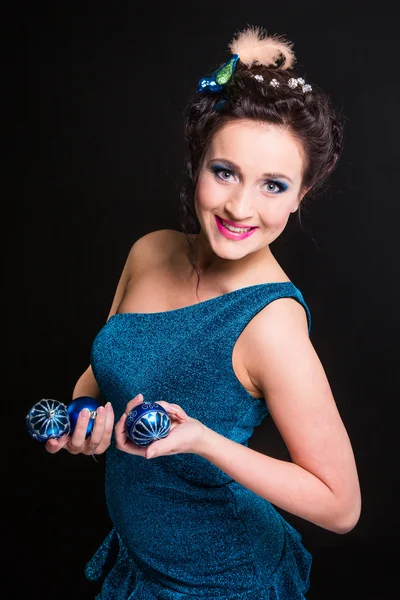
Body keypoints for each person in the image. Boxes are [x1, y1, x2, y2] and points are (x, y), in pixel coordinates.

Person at [45, 25, 361, 599]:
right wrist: (84, 417)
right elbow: (103, 371)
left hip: (222, 580)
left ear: (302, 194)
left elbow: (341, 507)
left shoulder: (271, 323)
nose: (241, 207)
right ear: (198, 164)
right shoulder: (149, 251)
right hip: (142, 560)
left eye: (274, 185)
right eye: (225, 173)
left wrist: (204, 440)